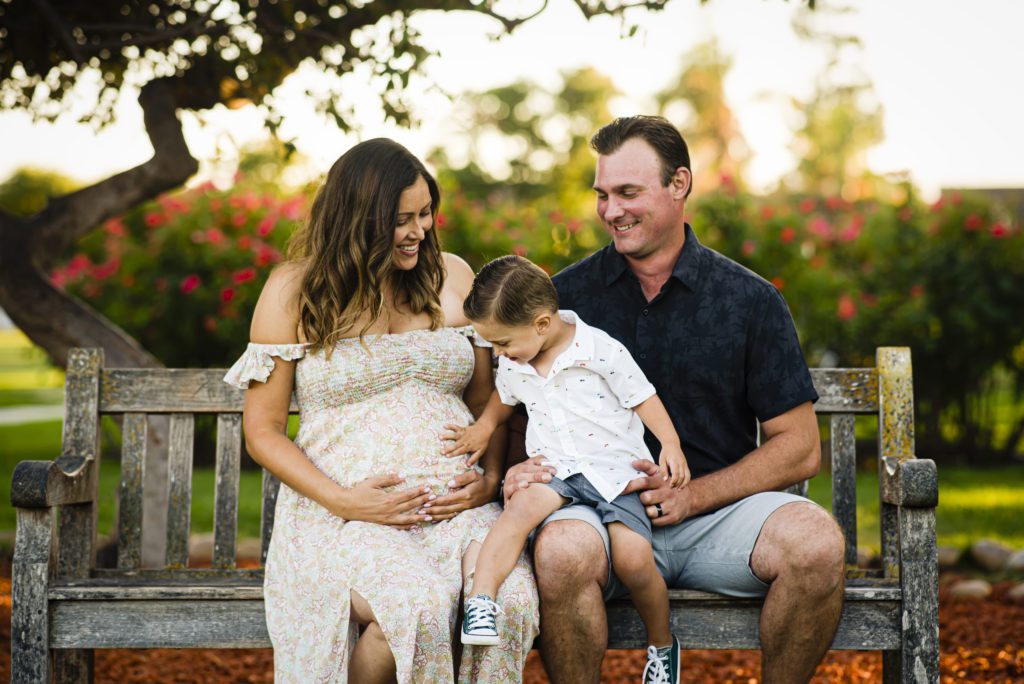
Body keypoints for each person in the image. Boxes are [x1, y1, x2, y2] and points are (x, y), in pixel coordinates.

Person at [503, 116, 846, 684]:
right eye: (603, 195)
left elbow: (801, 447)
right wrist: (518, 470)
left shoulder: (749, 300)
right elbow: (518, 412)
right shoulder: (562, 300)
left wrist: (694, 497)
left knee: (815, 544)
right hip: (596, 513)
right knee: (560, 553)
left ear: (679, 184)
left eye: (628, 192)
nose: (612, 210)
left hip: (715, 519)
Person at [223, 138, 539, 683]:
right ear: (358, 220)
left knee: (510, 602)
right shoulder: (295, 291)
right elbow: (264, 432)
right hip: (344, 516)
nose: (419, 231)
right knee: (415, 607)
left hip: (459, 511)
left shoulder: (453, 277)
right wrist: (345, 500)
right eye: (400, 220)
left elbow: (486, 401)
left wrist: (489, 480)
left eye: (425, 214)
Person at [442, 255, 688, 683]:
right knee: (519, 510)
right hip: (555, 468)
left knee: (633, 559)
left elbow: (643, 397)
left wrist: (670, 443)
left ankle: (662, 645)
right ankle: (482, 601)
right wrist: (483, 428)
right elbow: (503, 399)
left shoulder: (601, 350)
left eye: (502, 343)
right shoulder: (516, 363)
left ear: (541, 324)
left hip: (614, 473)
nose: (498, 354)